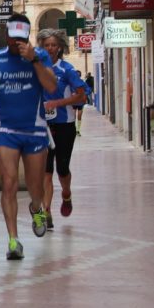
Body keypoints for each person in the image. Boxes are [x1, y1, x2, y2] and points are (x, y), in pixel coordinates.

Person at [0, 14, 56, 260]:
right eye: (12, 38)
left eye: (21, 39)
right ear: (6, 36)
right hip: (6, 130)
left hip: (35, 130)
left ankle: (36, 207)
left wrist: (35, 61)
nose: (16, 43)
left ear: (28, 37)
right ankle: (13, 240)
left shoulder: (40, 57)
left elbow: (51, 87)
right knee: (8, 183)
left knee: (35, 186)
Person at [37, 29, 87, 228]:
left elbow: (82, 96)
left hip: (65, 125)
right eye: (47, 45)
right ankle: (46, 212)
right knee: (45, 171)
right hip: (43, 125)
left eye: (54, 45)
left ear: (60, 48)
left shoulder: (67, 70)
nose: (50, 48)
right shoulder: (37, 69)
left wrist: (57, 103)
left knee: (62, 169)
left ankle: (66, 194)